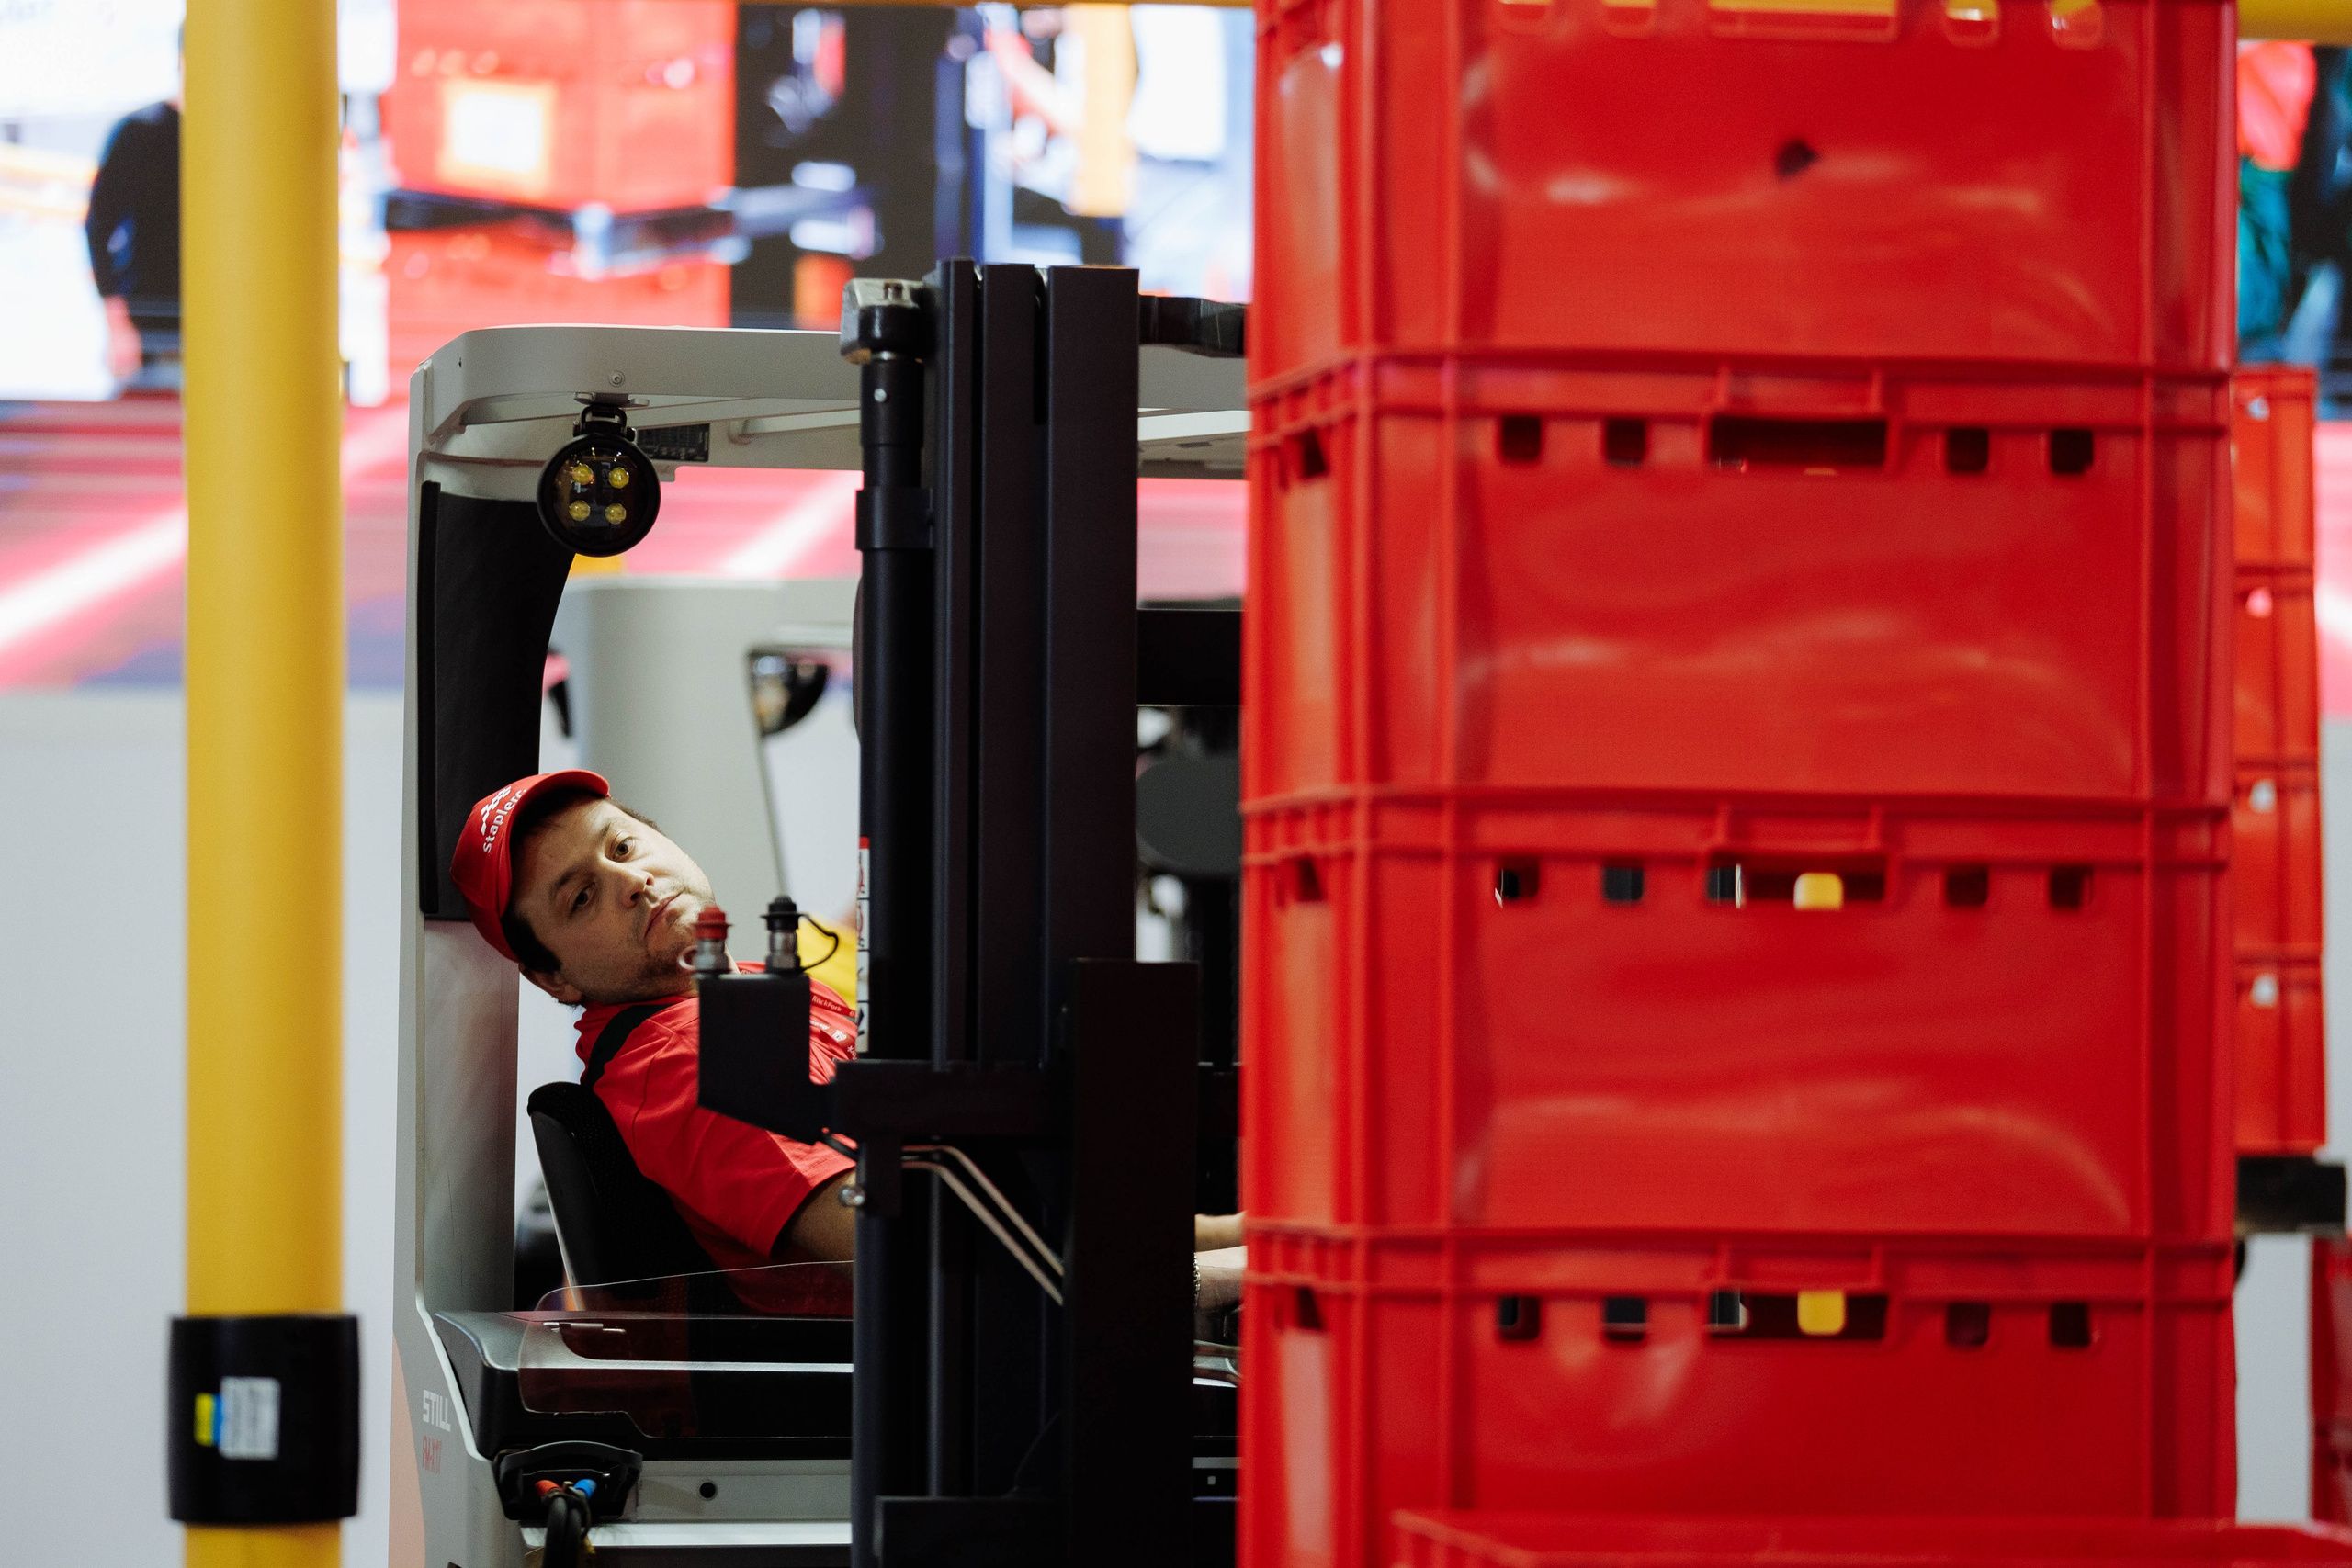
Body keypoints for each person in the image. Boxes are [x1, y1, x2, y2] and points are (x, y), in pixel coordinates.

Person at [453, 770, 1243, 1324]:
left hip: (995, 1331)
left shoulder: (751, 989)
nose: (633, 881)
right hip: (936, 1396)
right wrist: (1221, 1276)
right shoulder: (688, 1065)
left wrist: (1249, 1228)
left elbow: (1010, 1208)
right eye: (582, 896)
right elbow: (920, 1257)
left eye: (622, 847)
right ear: (554, 979)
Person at [85, 76, 182, 385]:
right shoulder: (140, 132)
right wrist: (119, 326)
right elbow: (99, 227)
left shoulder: (246, 134)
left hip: (235, 321)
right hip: (153, 325)